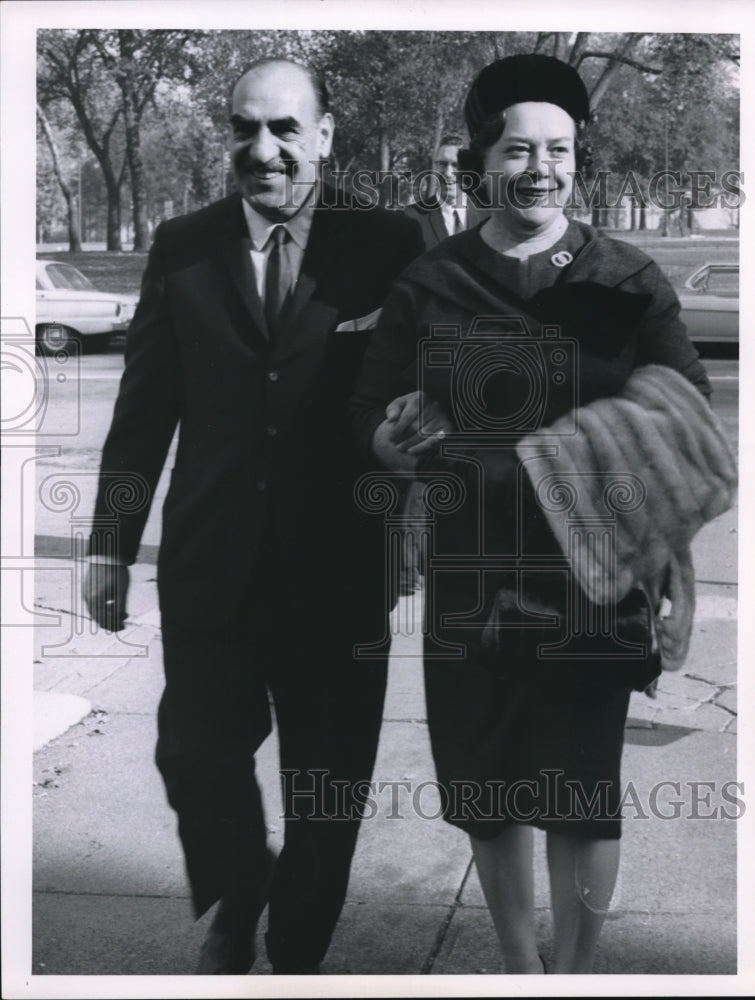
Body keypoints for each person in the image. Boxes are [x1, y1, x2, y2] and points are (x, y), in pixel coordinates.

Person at [352, 54, 715, 974]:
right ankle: (519, 970)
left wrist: (676, 573)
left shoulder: (624, 279)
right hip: (470, 577)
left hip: (595, 579)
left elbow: (683, 415)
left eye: (558, 149)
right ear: (482, 160)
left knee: (580, 792)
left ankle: (572, 974)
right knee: (486, 789)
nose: (541, 168)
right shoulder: (432, 282)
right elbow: (370, 406)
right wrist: (387, 441)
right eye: (519, 149)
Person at [83, 57, 423, 975]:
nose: (261, 150)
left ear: (324, 135)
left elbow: (430, 390)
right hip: (212, 565)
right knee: (195, 757)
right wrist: (110, 542)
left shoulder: (389, 242)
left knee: (327, 791)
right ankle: (240, 890)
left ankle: (296, 954)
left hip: (340, 569)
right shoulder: (181, 244)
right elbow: (143, 411)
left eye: (282, 130)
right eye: (243, 129)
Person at [404, 135, 486, 250]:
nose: (448, 173)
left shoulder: (488, 216)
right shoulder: (411, 218)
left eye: (456, 165)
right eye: (442, 164)